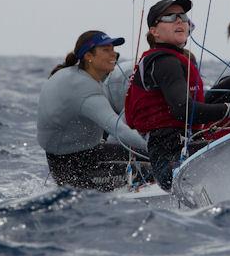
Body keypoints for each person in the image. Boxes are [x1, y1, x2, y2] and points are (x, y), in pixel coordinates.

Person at [125, 0, 230, 191]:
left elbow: (201, 103)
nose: (179, 21)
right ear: (154, 31)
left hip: (178, 147)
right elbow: (183, 110)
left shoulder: (170, 60)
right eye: (170, 17)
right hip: (170, 155)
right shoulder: (165, 62)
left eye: (182, 16)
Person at [37, 31, 148, 191]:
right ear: (89, 56)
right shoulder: (85, 89)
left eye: (113, 49)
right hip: (79, 169)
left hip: (64, 162)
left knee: (139, 154)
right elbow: (120, 131)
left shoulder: (71, 74)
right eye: (106, 50)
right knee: (154, 169)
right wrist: (154, 150)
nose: (114, 54)